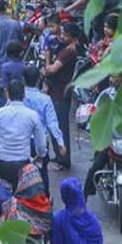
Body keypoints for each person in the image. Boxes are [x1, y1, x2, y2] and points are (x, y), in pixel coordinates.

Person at [0, 80, 47, 189]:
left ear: (7, 94)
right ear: (24, 95)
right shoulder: (32, 115)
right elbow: (41, 145)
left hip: (2, 162)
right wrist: (40, 156)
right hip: (23, 162)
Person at [43, 22, 80, 170]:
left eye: (65, 35)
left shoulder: (67, 52)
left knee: (59, 126)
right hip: (59, 90)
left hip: (60, 91)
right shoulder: (70, 48)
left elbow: (51, 70)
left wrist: (47, 59)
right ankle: (60, 156)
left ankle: (62, 160)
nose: (61, 36)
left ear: (71, 37)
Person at [23, 66, 66, 189]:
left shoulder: (18, 96)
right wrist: (60, 142)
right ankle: (45, 201)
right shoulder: (45, 99)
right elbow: (52, 122)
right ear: (38, 80)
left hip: (22, 141)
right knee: (42, 175)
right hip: (40, 142)